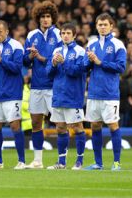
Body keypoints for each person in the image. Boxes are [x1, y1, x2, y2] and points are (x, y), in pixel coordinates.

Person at [85, 13, 127, 171]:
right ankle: (98, 163)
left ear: (111, 26)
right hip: (94, 92)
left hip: (110, 93)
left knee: (113, 125)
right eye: (100, 24)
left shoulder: (118, 45)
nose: (102, 27)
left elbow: (121, 67)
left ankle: (116, 162)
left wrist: (100, 62)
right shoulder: (92, 44)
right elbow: (86, 67)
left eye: (105, 25)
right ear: (96, 26)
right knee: (95, 126)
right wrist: (87, 62)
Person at [23, 1, 61, 169]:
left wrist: (40, 58)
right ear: (37, 19)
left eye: (48, 16)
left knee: (60, 124)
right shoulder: (32, 35)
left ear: (53, 18)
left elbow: (58, 61)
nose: (46, 19)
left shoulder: (60, 34)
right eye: (43, 17)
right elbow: (24, 61)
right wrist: (31, 57)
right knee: (36, 123)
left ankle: (62, 160)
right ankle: (37, 161)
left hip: (54, 85)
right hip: (37, 86)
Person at [45, 23, 87, 170]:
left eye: (68, 33)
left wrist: (63, 63)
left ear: (74, 35)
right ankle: (61, 162)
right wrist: (54, 64)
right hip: (58, 95)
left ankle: (79, 161)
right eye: (63, 33)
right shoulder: (56, 50)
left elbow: (78, 71)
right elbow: (48, 73)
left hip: (73, 96)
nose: (65, 35)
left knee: (77, 127)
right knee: (60, 128)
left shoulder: (80, 51)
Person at [0, 20, 26, 170]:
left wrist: (1, 60)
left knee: (15, 125)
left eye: (0, 32)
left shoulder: (16, 46)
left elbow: (17, 68)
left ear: (7, 31)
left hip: (12, 93)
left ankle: (21, 161)